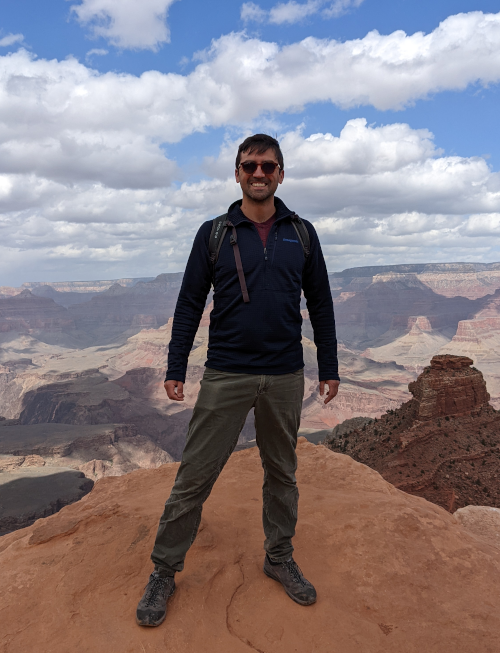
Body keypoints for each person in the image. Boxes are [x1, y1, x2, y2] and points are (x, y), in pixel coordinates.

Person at [136, 134, 340, 627]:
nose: (259, 173)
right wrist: (174, 366)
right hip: (227, 372)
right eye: (249, 165)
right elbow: (189, 303)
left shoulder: (303, 233)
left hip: (285, 373)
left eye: (268, 165)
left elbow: (321, 304)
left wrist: (329, 367)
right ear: (236, 174)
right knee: (195, 477)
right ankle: (164, 570)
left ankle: (279, 556)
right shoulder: (214, 233)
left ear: (281, 174)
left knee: (282, 473)